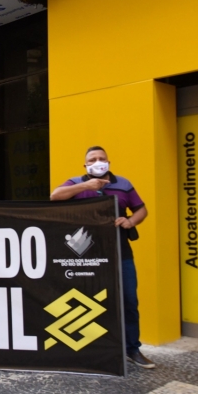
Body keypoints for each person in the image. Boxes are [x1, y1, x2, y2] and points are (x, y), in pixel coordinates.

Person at [50, 146, 155, 369]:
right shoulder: (76, 182)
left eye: (101, 159)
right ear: (85, 165)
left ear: (108, 162)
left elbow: (142, 209)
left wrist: (131, 222)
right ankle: (87, 349)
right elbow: (55, 196)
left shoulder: (124, 184)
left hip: (120, 252)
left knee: (128, 299)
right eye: (92, 159)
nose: (97, 162)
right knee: (84, 300)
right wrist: (86, 185)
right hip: (87, 255)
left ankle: (132, 349)